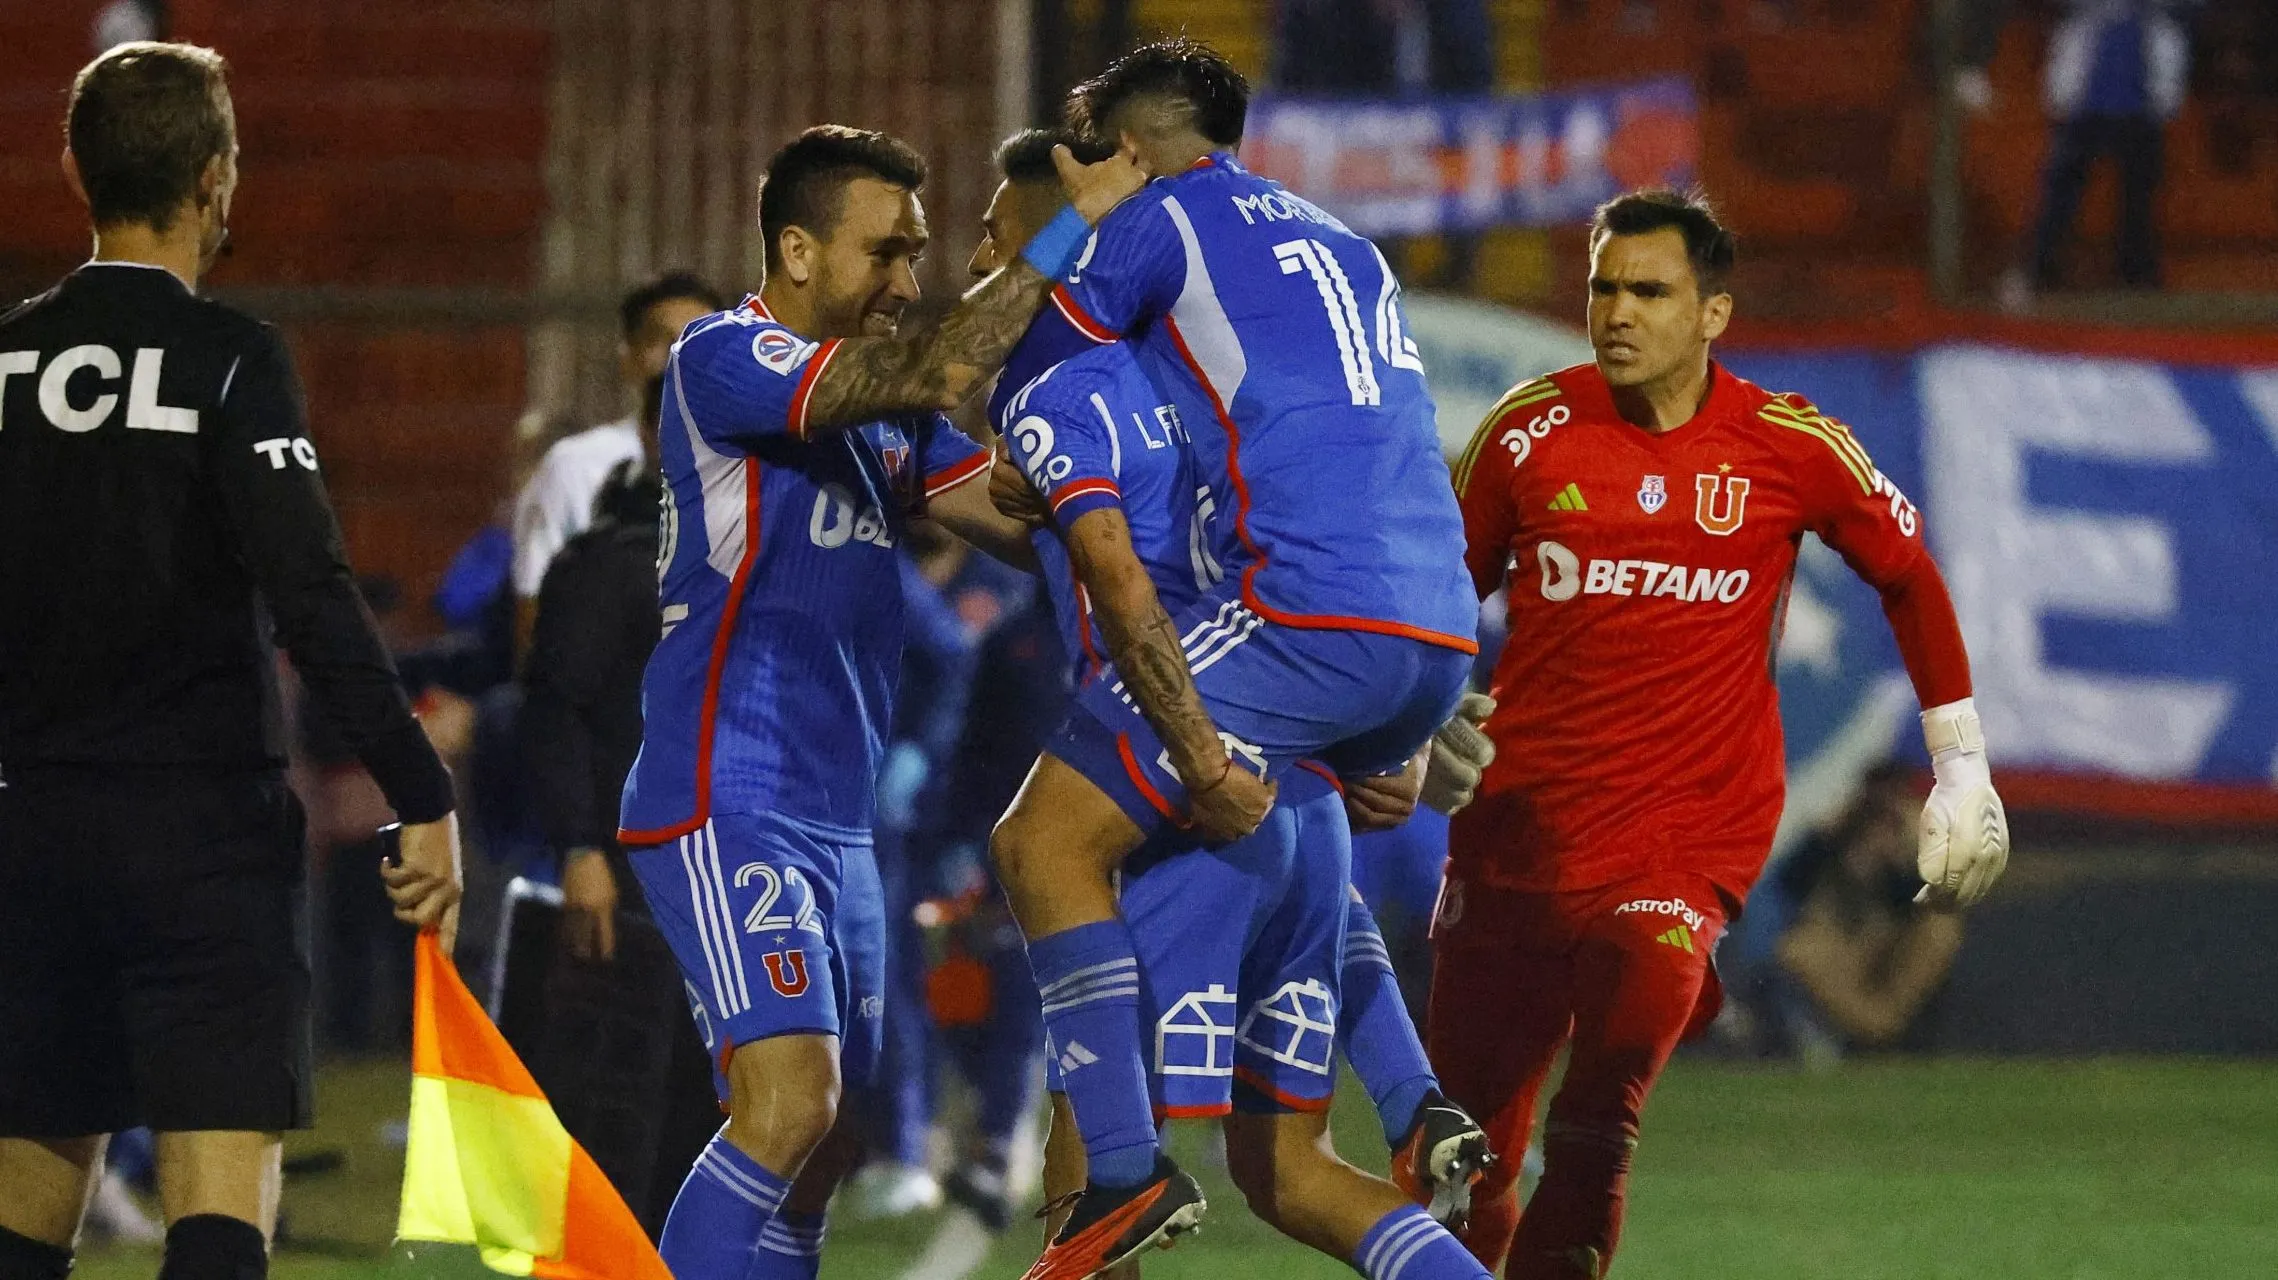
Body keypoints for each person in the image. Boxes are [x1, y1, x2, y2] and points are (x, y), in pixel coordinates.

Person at [1434, 187, 2011, 1278]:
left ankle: (1646, 1023)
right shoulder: (1525, 432)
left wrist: (1961, 764)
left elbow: (1907, 574)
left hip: (1684, 842)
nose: (1617, 312)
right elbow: (1429, 606)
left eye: (1648, 291)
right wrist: (1415, 727)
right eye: (1605, 287)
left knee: (1600, 1117)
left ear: (1712, 314)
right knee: (1465, 1165)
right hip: (1517, 835)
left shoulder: (1784, 446)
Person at [982, 41, 1482, 1276]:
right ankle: (1417, 1102)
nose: (992, 262)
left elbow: (1002, 390)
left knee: (1046, 852)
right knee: (1288, 1165)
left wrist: (1201, 752)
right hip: (1409, 637)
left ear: (1123, 158)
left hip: (1266, 663)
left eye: (1000, 235)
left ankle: (1117, 1177)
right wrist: (1403, 727)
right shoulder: (1337, 251)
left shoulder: (1126, 282)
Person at [610, 124, 1142, 1280]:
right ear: (797, 251)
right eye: (885, 252)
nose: (908, 279)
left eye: (916, 253)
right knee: (788, 1101)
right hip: (726, 787)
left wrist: (1123, 500)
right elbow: (940, 366)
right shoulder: (723, 358)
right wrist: (1069, 227)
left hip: (840, 818)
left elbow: (1018, 526)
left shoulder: (882, 422)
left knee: (827, 1135)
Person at [0, 42, 461, 1280]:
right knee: (217, 1204)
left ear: (74, 169)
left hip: (33, 830)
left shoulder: (5, 364)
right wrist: (421, 791)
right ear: (214, 179)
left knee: (25, 1210)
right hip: (201, 837)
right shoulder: (229, 360)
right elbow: (311, 593)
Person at [510, 273, 723, 625]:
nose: (681, 355)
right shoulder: (575, 465)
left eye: (701, 339)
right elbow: (534, 608)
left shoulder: (756, 461)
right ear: (627, 356)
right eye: (662, 339)